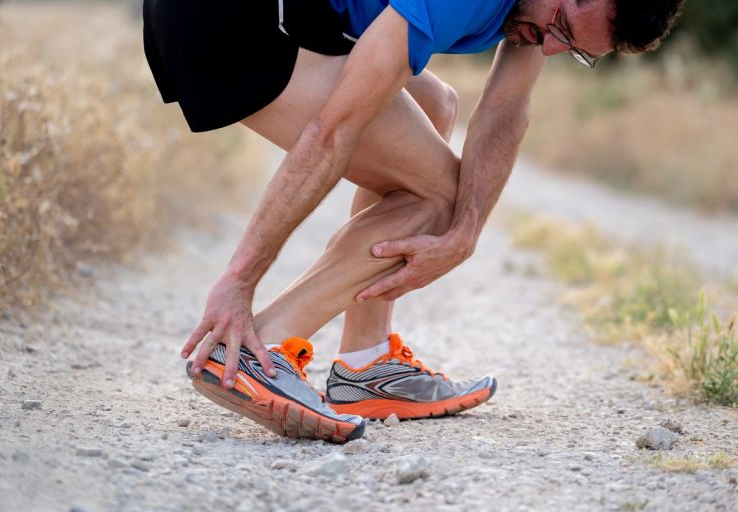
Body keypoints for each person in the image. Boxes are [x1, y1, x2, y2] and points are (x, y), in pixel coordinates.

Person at [143, 0, 684, 443]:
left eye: (573, 50)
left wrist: (467, 233)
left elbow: (506, 104)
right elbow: (332, 134)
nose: (548, 46)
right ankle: (262, 348)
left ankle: (365, 362)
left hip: (290, 16)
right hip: (225, 20)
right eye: (560, 27)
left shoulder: (540, 15)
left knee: (435, 106)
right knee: (437, 199)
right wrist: (238, 280)